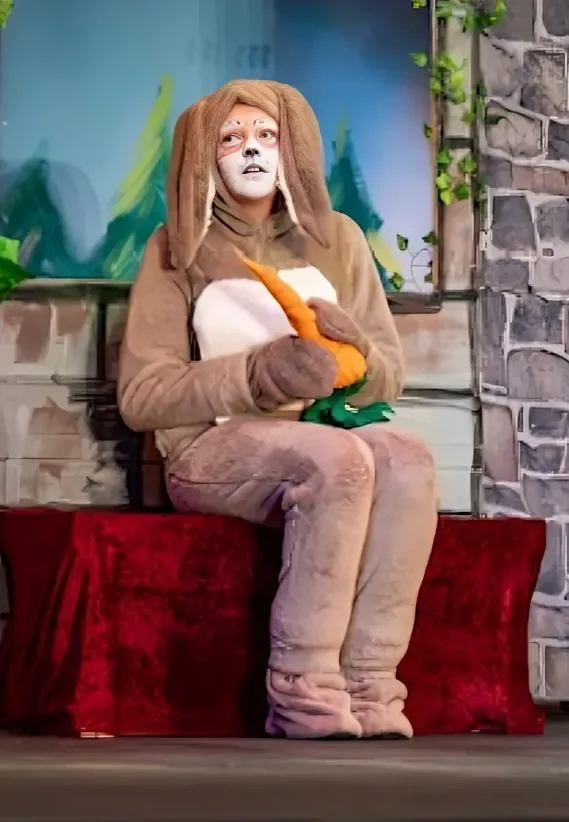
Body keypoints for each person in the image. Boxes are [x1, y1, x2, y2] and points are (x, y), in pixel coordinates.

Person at [118, 79, 438, 740]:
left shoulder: (340, 241)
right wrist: (256, 375)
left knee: (405, 456)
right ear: (205, 157)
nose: (251, 150)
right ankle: (303, 689)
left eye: (265, 136)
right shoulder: (174, 248)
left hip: (322, 429)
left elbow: (389, 371)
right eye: (231, 138)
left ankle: (370, 684)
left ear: (293, 148)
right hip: (210, 451)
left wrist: (355, 360)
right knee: (338, 459)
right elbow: (142, 397)